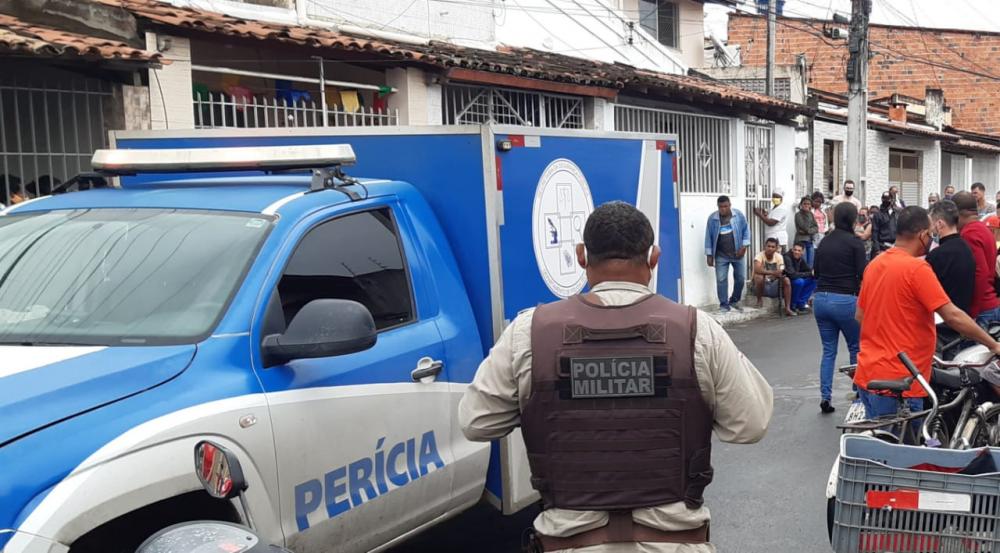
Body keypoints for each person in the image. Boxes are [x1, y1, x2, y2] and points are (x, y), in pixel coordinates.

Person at [459, 201, 773, 553]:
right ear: (654, 258)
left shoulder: (529, 332)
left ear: (581, 256)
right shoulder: (696, 330)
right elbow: (751, 424)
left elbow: (476, 422)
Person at [855, 206, 1000, 420]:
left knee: (879, 447)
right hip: (902, 382)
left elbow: (860, 316)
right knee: (908, 449)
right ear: (923, 235)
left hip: (868, 373)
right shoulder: (917, 270)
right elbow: (953, 315)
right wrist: (993, 344)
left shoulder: (875, 264)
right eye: (930, 233)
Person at [813, 203, 867, 414]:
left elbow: (816, 272)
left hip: (821, 299)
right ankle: (858, 392)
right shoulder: (855, 243)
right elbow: (863, 274)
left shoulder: (825, 241)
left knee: (828, 351)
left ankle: (825, 397)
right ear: (853, 220)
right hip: (845, 299)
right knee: (855, 347)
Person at [954, 191, 1000, 325]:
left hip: (982, 310)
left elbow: (981, 273)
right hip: (989, 305)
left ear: (957, 213)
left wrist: (972, 312)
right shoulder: (983, 229)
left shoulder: (969, 233)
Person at [926, 200, 975, 317]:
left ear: (939, 224)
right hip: (964, 317)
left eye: (931, 224)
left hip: (943, 320)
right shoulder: (967, 248)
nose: (930, 229)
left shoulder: (937, 255)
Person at [705, 195, 750, 313]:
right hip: (721, 255)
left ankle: (734, 300)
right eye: (721, 207)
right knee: (721, 279)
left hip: (738, 253)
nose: (723, 209)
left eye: (725, 206)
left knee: (740, 278)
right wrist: (709, 255)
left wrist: (744, 246)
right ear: (718, 207)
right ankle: (724, 304)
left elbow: (746, 230)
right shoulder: (712, 219)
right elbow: (708, 237)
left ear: (730, 205)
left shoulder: (738, 215)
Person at [753, 237, 794, 316]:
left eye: (773, 247)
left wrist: (776, 274)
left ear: (776, 248)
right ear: (765, 246)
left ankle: (787, 308)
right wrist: (773, 272)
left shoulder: (779, 257)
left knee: (787, 280)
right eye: (768, 246)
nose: (770, 248)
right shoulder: (759, 256)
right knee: (759, 277)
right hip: (761, 286)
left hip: (774, 283)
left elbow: (781, 269)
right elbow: (757, 269)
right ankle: (759, 300)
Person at [784, 242, 817, 313]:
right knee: (799, 282)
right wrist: (809, 273)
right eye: (795, 250)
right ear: (792, 249)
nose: (796, 252)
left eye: (799, 251)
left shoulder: (800, 259)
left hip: (796, 280)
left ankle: (801, 304)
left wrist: (814, 272)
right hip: (787, 282)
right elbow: (792, 275)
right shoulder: (787, 257)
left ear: (802, 252)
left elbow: (809, 270)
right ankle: (793, 305)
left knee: (814, 279)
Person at [870, 192, 897, 260]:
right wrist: (877, 249)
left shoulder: (897, 213)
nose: (886, 201)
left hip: (896, 247)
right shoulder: (877, 214)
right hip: (882, 246)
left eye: (888, 199)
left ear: (892, 200)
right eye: (884, 199)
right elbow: (874, 232)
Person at [795, 196, 818, 267]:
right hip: (801, 242)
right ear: (801, 204)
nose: (806, 205)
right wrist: (809, 230)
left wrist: (809, 231)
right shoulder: (798, 215)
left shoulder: (811, 214)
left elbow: (816, 228)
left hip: (810, 241)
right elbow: (805, 227)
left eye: (808, 204)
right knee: (804, 264)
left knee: (810, 265)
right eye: (805, 204)